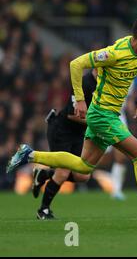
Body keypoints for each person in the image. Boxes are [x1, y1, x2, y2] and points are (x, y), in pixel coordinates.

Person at [7, 15, 137, 224]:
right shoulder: (114, 54)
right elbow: (76, 64)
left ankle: (30, 155)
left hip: (109, 115)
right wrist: (80, 100)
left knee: (83, 168)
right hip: (102, 115)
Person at [31, 69, 97, 219]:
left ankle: (44, 174)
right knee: (63, 171)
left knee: (83, 175)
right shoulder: (84, 82)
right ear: (98, 66)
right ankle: (43, 210)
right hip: (62, 130)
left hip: (79, 133)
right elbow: (71, 114)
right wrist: (97, 123)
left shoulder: (103, 85)